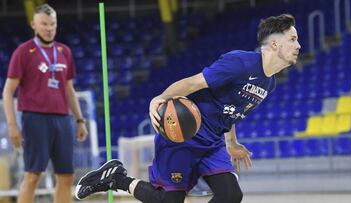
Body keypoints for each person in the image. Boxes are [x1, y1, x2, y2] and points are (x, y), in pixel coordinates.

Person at [75, 13, 301, 203]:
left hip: (212, 141)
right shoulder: (240, 63)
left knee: (231, 195)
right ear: (274, 43)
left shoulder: (269, 83)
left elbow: (231, 112)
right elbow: (193, 82)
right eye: (292, 39)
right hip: (183, 134)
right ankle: (117, 179)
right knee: (169, 201)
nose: (298, 45)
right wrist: (160, 98)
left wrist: (231, 142)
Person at [2, 4, 88, 203]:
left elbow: (69, 90)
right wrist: (13, 125)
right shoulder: (23, 52)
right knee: (33, 176)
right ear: (34, 25)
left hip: (63, 119)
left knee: (66, 176)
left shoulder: (64, 51)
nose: (48, 28)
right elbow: (8, 92)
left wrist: (79, 120)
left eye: (52, 24)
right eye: (44, 24)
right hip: (35, 118)